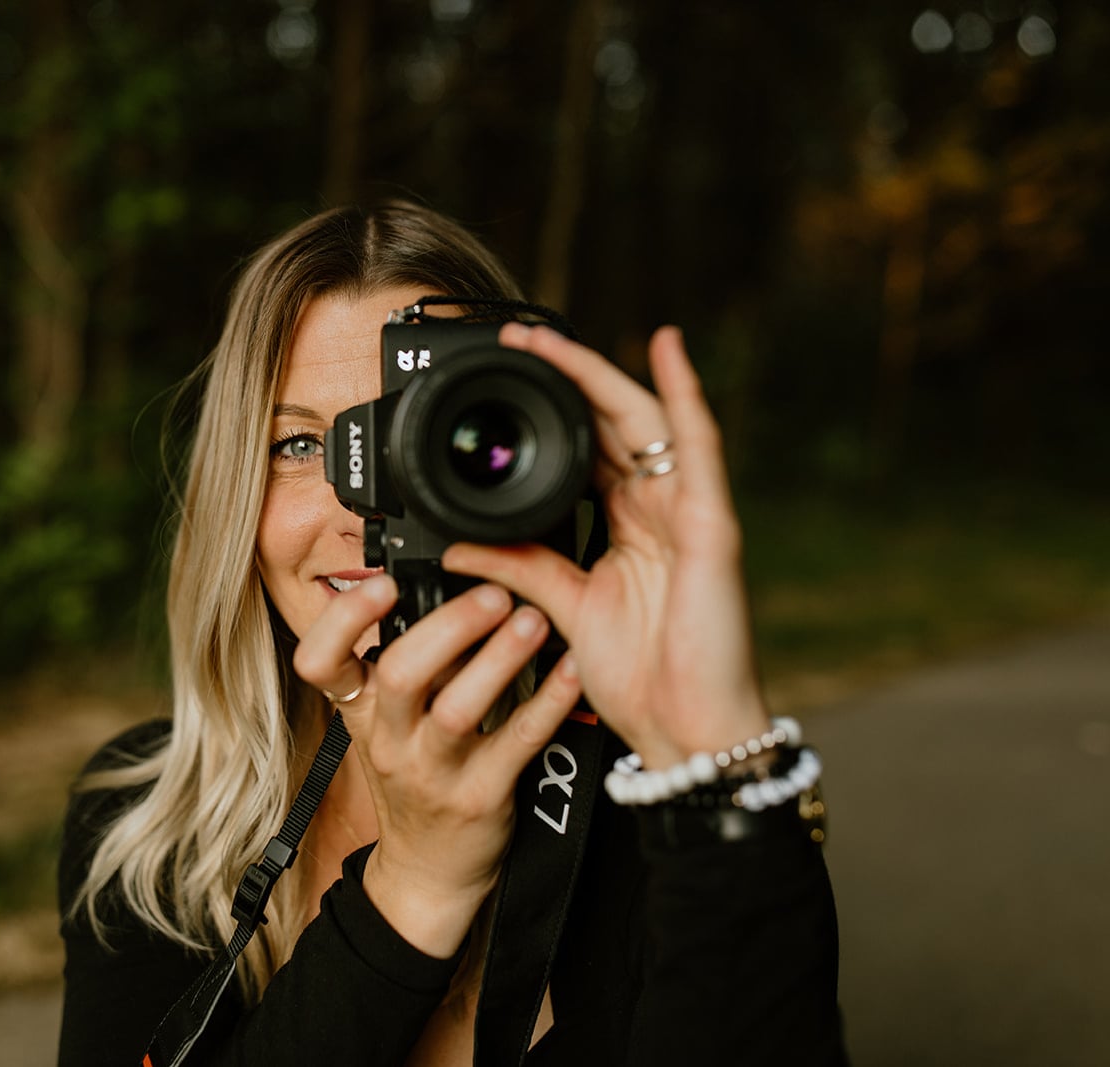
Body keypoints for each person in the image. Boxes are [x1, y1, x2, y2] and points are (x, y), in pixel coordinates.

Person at [57, 200, 845, 1066]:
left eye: (427, 434)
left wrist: (711, 749)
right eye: (298, 445)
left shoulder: (660, 798)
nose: (367, 510)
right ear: (232, 492)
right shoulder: (148, 823)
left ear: (545, 458)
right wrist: (415, 883)